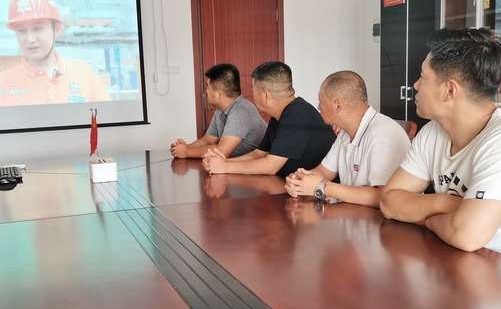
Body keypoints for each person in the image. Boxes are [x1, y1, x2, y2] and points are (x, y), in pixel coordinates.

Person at [380, 27, 501, 275]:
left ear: (450, 90)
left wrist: (429, 218)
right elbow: (389, 201)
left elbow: (466, 236)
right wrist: (444, 202)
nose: (416, 85)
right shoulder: (434, 131)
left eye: (423, 77)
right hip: (472, 265)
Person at [285, 70, 410, 207]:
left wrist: (323, 187)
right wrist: (300, 180)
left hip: (378, 218)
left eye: (321, 100)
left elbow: (383, 197)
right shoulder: (345, 133)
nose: (318, 107)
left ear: (338, 105)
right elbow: (324, 171)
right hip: (352, 213)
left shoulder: (381, 134)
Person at [203, 61, 335, 177]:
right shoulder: (279, 116)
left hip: (315, 193)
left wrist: (224, 167)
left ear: (266, 95)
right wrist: (222, 162)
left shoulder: (297, 115)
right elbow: (258, 154)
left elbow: (270, 166)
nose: (252, 95)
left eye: (253, 90)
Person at [0, 0, 109, 106]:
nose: (30, 39)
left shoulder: (83, 72)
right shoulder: (4, 81)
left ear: (57, 29)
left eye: (38, 29)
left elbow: (106, 115)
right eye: (21, 31)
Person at [170, 63, 266, 159]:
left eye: (208, 87)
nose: (206, 91)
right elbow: (208, 140)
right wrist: (184, 148)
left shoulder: (241, 111)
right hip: (235, 163)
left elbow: (222, 151)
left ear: (219, 93)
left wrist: (186, 151)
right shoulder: (220, 111)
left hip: (255, 165)